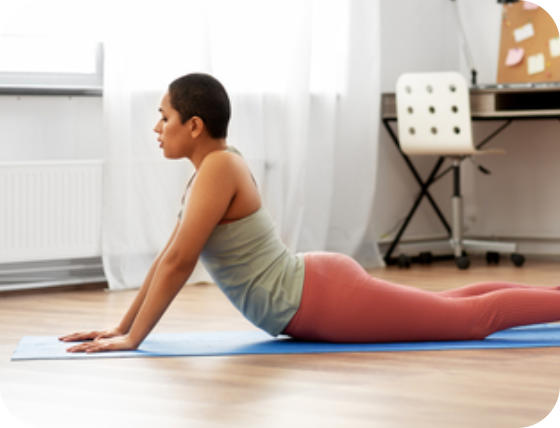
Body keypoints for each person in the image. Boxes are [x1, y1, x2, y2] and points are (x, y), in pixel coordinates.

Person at [60, 73, 560, 353]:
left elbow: (179, 264)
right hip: (317, 288)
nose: (156, 128)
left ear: (193, 125)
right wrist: (120, 329)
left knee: (470, 321)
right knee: (454, 304)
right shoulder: (208, 172)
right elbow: (166, 257)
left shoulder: (217, 168)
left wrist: (132, 340)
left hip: (320, 299)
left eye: (163, 117)